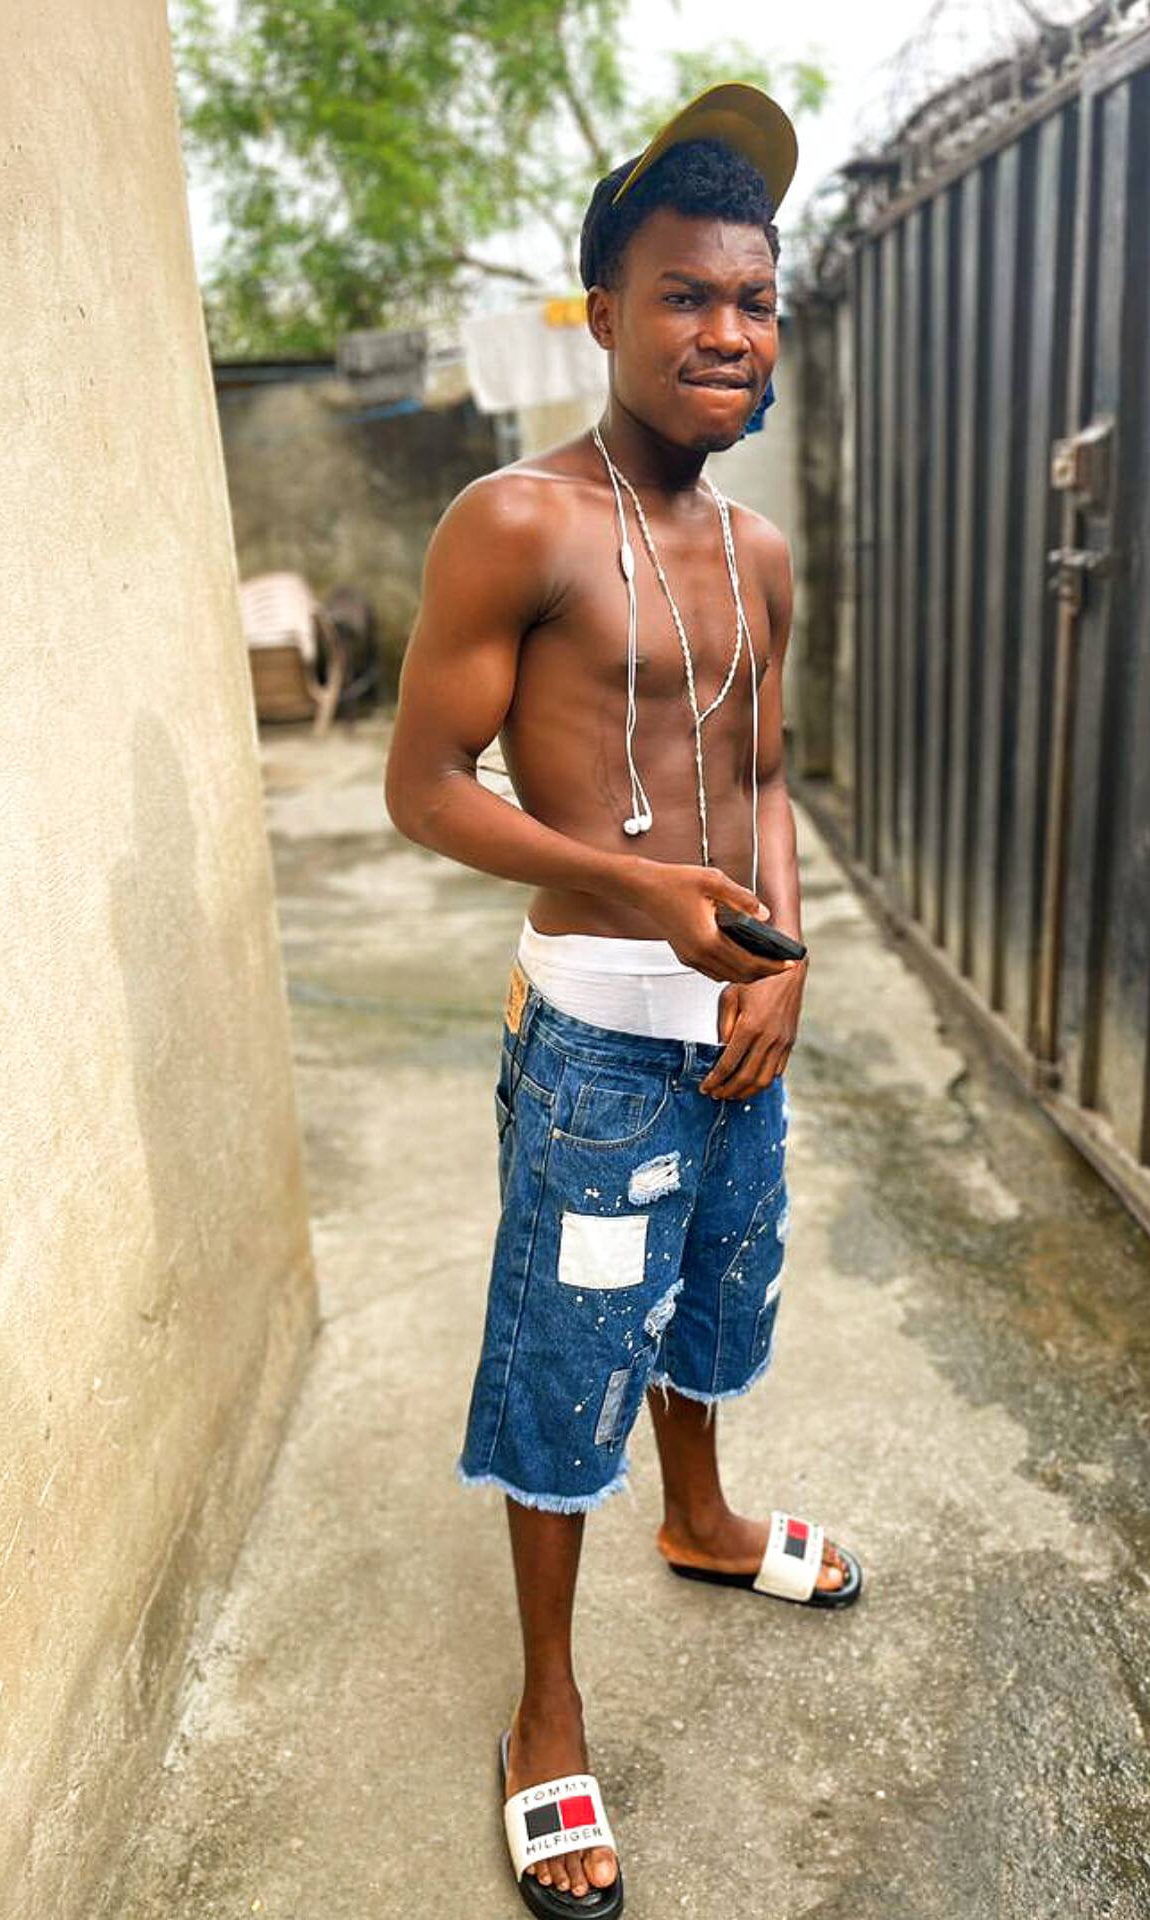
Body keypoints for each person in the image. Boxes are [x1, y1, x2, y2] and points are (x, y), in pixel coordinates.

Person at [384, 83, 863, 1919]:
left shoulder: (760, 556)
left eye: (755, 300)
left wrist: (785, 958)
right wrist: (642, 892)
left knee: (719, 1294)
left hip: (738, 1020)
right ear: (603, 312)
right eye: (685, 295)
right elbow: (424, 791)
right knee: (570, 1353)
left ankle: (706, 1520)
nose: (728, 331)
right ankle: (547, 1707)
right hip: (595, 1036)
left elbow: (767, 778)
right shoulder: (516, 522)